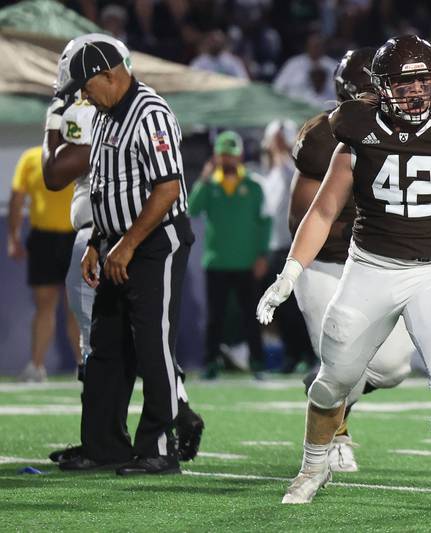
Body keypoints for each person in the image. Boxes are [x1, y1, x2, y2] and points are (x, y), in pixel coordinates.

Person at [258, 35, 431, 510]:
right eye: (405, 82)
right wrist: (291, 272)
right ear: (381, 88)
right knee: (334, 381)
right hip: (369, 270)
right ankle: (312, 468)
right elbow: (320, 212)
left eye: (424, 79)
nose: (417, 91)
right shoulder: (354, 128)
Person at [42, 33, 204, 468]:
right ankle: (103, 446)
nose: (82, 96)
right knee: (105, 348)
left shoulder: (149, 112)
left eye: (85, 85)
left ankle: (160, 448)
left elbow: (167, 187)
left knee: (152, 344)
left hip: (155, 243)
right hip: (117, 243)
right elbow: (106, 187)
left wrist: (127, 245)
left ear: (108, 74)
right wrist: (99, 243)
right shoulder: (108, 112)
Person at [290, 47, 416, 472]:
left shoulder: (413, 133)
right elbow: (302, 217)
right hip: (327, 264)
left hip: (377, 266)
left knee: (394, 367)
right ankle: (334, 435)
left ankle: (326, 388)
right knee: (345, 354)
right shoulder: (324, 138)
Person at [188, 131, 270, 379]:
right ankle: (210, 363)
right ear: (216, 157)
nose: (228, 160)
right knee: (215, 317)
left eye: (231, 155)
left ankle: (257, 363)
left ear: (240, 156)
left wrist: (262, 256)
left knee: (251, 316)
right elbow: (192, 209)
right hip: (217, 261)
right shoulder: (210, 185)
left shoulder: (254, 186)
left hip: (246, 262)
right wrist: (203, 178)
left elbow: (264, 223)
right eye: (223, 155)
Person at [8, 144, 81, 382]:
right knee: (44, 304)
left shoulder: (80, 154)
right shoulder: (30, 158)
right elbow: (17, 197)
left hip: (76, 237)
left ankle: (84, 366)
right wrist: (13, 237)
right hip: (43, 239)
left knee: (77, 306)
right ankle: (37, 366)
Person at [258, 118, 316, 373]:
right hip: (274, 246)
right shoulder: (268, 173)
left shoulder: (292, 170)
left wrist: (283, 149)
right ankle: (293, 354)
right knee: (279, 308)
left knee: (297, 308)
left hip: (292, 248)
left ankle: (309, 354)